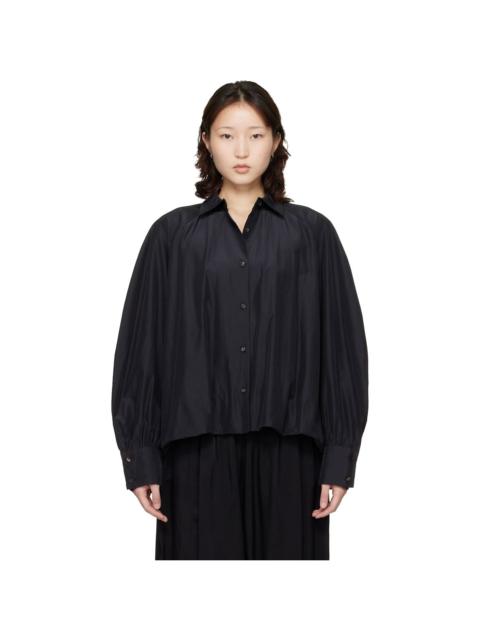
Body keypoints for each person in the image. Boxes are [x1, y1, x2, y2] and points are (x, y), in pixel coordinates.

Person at [111, 80, 369, 560]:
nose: (242, 150)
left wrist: (340, 456)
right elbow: (140, 350)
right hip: (194, 456)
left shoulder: (314, 235)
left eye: (256, 135)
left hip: (292, 456)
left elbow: (342, 351)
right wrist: (139, 456)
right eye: (227, 136)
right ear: (207, 141)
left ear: (276, 140)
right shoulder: (171, 236)